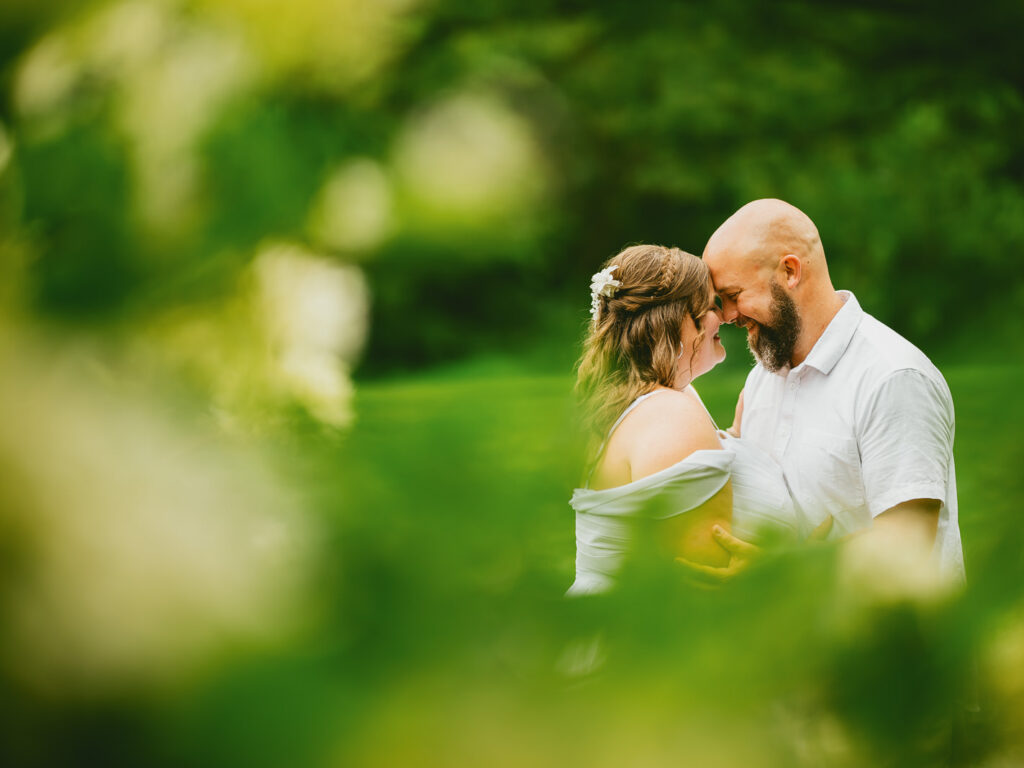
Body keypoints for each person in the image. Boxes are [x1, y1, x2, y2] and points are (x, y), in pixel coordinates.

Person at [701, 198, 964, 583]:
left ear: (790, 271)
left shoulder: (892, 378)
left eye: (734, 295)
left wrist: (784, 569)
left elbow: (908, 546)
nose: (726, 316)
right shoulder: (765, 375)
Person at [567, 244, 799, 596]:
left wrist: (736, 437)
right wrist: (800, 565)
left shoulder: (646, 405)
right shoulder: (670, 415)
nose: (723, 317)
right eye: (710, 306)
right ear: (676, 321)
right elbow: (703, 582)